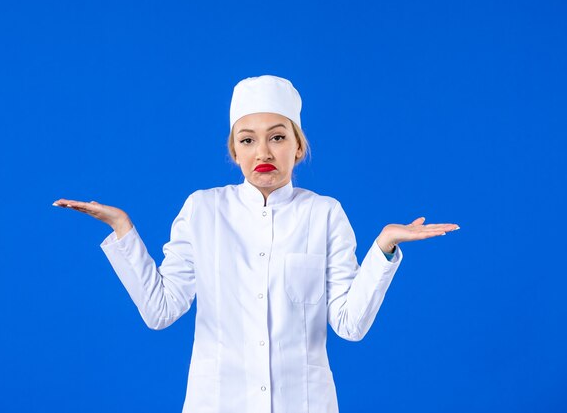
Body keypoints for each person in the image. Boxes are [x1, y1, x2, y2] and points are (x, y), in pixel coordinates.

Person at [53, 75, 459, 413]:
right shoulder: (203, 209)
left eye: (277, 137)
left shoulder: (325, 214)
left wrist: (384, 247)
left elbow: (350, 325)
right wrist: (122, 228)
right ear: (234, 151)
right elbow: (160, 311)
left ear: (298, 147)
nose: (263, 151)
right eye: (247, 140)